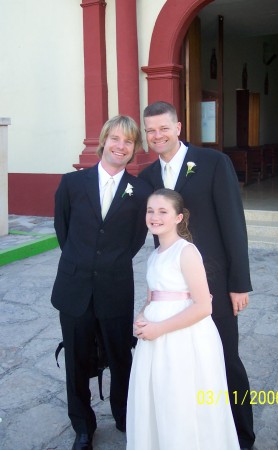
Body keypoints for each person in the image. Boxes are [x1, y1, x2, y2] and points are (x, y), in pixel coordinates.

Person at [139, 101, 255, 450]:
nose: (157, 135)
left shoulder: (213, 163)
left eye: (163, 128)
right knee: (182, 363)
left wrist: (239, 284)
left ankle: (242, 435)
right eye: (151, 130)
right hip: (173, 288)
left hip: (215, 282)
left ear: (177, 128)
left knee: (225, 360)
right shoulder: (147, 177)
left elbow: (234, 224)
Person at [51, 115, 152, 450]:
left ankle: (124, 416)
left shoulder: (142, 192)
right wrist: (84, 262)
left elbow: (136, 238)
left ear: (134, 149)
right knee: (76, 360)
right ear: (104, 140)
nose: (120, 146)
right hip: (75, 287)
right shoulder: (71, 184)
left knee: (121, 357)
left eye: (128, 141)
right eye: (115, 138)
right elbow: (64, 232)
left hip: (115, 287)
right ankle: (82, 426)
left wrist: (108, 263)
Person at [126, 188, 240, 450]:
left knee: (180, 400)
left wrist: (159, 328)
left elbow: (203, 306)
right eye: (150, 211)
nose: (154, 217)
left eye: (163, 211)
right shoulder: (154, 255)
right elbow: (153, 297)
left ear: (179, 217)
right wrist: (142, 318)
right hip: (154, 340)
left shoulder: (186, 252)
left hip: (183, 338)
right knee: (159, 397)